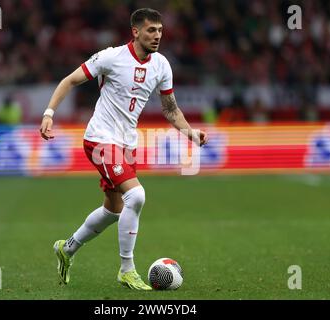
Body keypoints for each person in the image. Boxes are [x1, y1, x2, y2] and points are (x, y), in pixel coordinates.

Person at [39, 8, 208, 290]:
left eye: (160, 31)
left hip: (127, 143)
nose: (157, 36)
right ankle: (127, 269)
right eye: (151, 30)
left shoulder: (162, 65)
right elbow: (69, 80)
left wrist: (190, 132)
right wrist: (48, 113)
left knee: (114, 210)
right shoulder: (111, 57)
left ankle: (66, 249)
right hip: (100, 139)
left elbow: (170, 108)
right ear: (135, 31)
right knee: (137, 196)